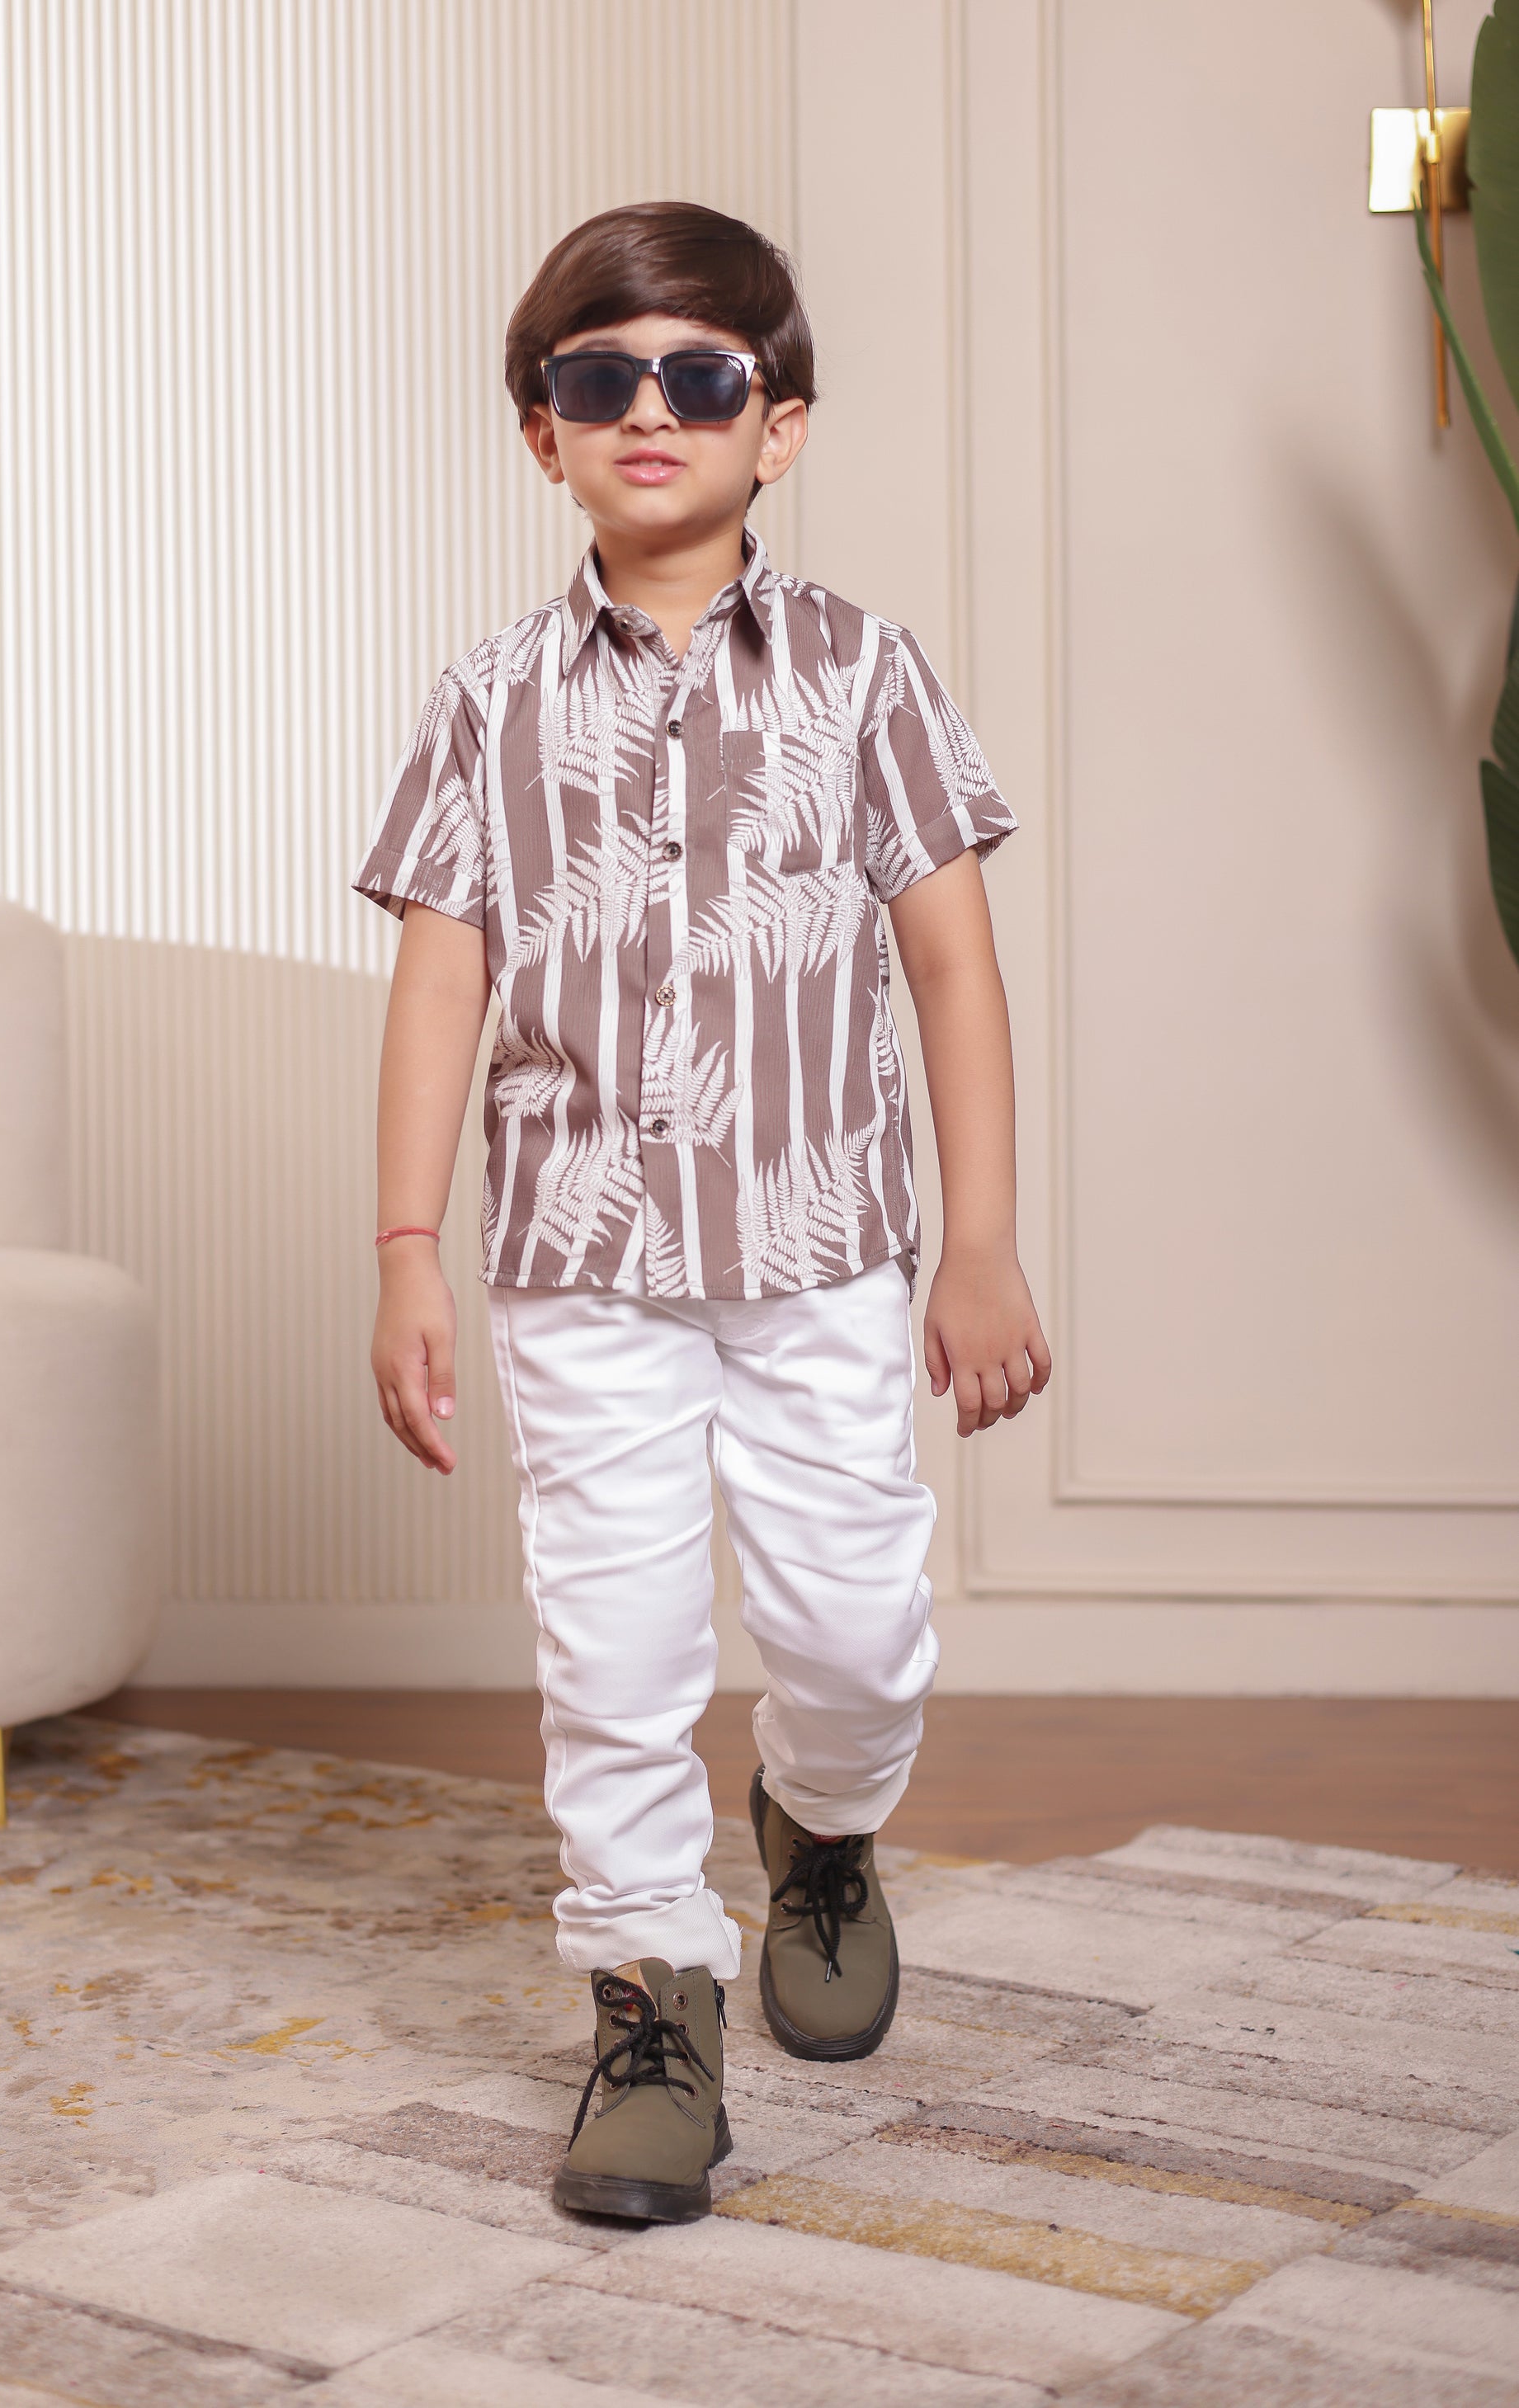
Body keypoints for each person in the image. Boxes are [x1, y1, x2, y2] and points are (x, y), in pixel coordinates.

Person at [352, 200, 1050, 2226]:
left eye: (697, 375)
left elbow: (949, 967)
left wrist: (977, 1237)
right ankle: (651, 1997)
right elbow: (439, 986)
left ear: (780, 422)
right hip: (580, 1264)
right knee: (617, 1647)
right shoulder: (487, 702)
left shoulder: (863, 673)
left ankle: (819, 1821)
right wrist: (405, 1247)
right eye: (599, 377)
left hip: (822, 1251)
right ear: (542, 431)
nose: (647, 409)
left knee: (855, 1629)